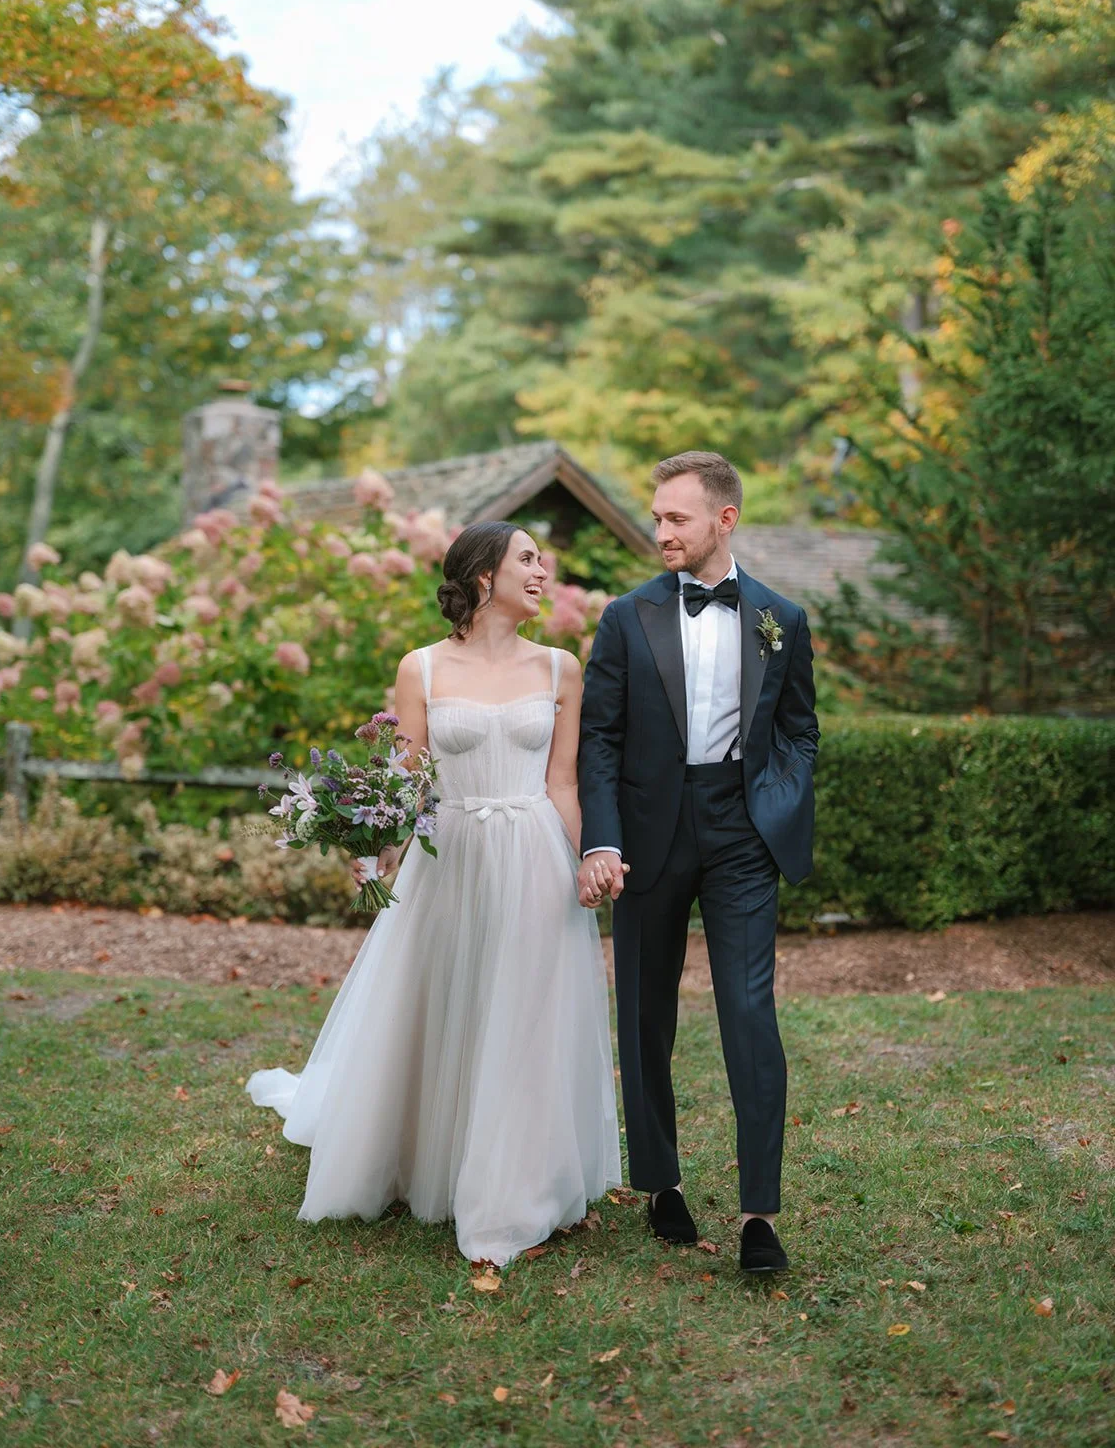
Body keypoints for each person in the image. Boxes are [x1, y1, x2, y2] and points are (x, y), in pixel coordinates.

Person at [246, 522, 621, 1266]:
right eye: (528, 559)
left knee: (521, 1016)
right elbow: (406, 780)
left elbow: (563, 782)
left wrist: (588, 861)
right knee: (438, 1001)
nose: (543, 571)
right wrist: (374, 855)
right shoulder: (420, 668)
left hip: (531, 853)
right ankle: (422, 1153)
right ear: (484, 576)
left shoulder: (560, 669)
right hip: (446, 857)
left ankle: (515, 1182)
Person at [577, 451, 818, 1273]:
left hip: (742, 831)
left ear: (725, 520)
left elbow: (800, 728)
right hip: (647, 836)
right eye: (656, 517)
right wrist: (603, 840)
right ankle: (660, 1182)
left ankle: (758, 1215)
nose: (660, 532)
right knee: (645, 1010)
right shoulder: (624, 618)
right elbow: (598, 741)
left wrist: (778, 801)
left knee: (750, 1012)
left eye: (676, 518)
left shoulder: (781, 617)